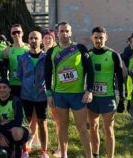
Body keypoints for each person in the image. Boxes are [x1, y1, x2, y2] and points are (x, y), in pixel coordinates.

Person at [44, 21, 94, 158]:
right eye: (62, 31)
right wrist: (49, 93)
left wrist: (89, 90)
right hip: (59, 95)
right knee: (62, 127)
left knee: (82, 128)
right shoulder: (52, 51)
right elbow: (47, 74)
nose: (64, 34)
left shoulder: (80, 48)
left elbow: (90, 70)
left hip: (78, 95)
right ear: (57, 33)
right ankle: (63, 155)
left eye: (67, 31)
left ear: (71, 33)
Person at [87, 26, 125, 158]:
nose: (98, 40)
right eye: (96, 38)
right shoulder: (88, 55)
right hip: (92, 98)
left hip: (108, 98)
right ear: (92, 38)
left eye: (101, 38)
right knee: (93, 128)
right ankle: (95, 154)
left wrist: (122, 98)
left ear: (106, 38)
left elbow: (120, 79)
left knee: (108, 130)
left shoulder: (113, 55)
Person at [17, 31, 49, 158]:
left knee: (42, 123)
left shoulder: (46, 58)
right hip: (26, 95)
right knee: (26, 123)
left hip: (42, 95)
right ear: (28, 40)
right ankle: (25, 150)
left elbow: (49, 75)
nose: (33, 40)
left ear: (41, 41)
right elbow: (19, 75)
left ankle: (44, 151)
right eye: (31, 38)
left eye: (36, 38)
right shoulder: (23, 57)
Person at [0, 78, 30, 158]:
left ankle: (18, 148)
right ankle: (8, 149)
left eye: (4, 87)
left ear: (9, 89)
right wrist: (1, 133)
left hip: (20, 130)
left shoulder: (16, 100)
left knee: (15, 131)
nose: (2, 89)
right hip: (5, 129)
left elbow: (17, 122)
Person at [42, 29, 61, 157]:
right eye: (46, 38)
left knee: (58, 120)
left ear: (54, 39)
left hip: (54, 89)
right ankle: (38, 141)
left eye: (50, 38)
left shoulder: (56, 53)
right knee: (38, 118)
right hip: (38, 90)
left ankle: (61, 147)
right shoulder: (38, 52)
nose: (48, 40)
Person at [3, 24, 29, 97]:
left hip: (27, 83)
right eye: (13, 33)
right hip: (13, 83)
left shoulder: (29, 48)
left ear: (22, 33)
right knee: (15, 106)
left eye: (18, 32)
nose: (16, 34)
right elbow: (4, 69)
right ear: (11, 35)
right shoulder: (7, 50)